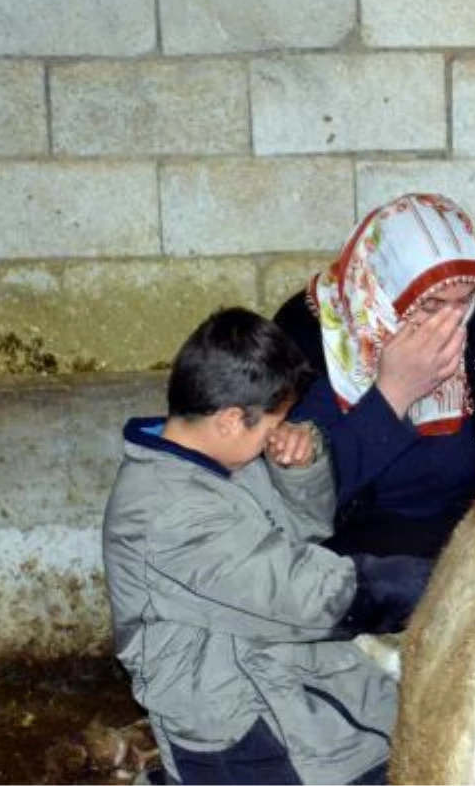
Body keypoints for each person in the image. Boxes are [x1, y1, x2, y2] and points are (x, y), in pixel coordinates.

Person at [103, 307, 430, 786]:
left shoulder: (218, 462)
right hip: (240, 731)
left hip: (286, 674)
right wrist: (439, 584)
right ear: (233, 419)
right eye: (274, 420)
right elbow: (302, 593)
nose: (278, 430)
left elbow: (305, 531)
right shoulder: (163, 511)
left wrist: (297, 470)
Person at [273, 193, 475, 561]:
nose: (450, 321)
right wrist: (394, 392)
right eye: (430, 305)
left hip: (462, 529)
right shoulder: (311, 332)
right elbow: (306, 496)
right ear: (380, 285)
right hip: (351, 545)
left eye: (464, 301)